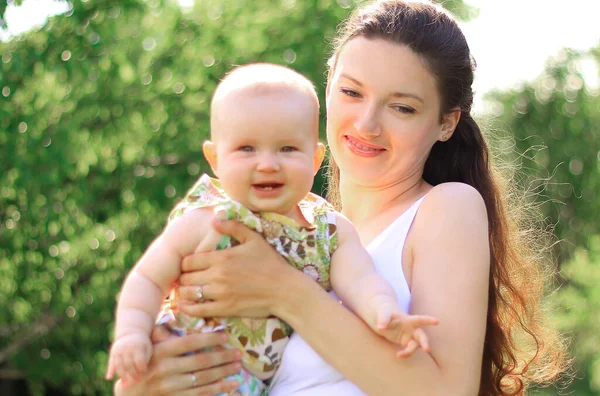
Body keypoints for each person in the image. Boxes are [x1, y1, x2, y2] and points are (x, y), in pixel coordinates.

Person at [114, 1, 568, 395]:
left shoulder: (444, 209)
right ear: (328, 83)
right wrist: (149, 381)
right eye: (352, 92)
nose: (367, 124)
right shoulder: (295, 226)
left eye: (402, 107)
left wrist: (285, 290)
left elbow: (445, 391)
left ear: (446, 123)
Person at [106, 63, 438, 395]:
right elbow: (147, 278)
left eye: (287, 149)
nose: (267, 163)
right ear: (215, 159)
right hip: (186, 365)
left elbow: (362, 280)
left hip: (252, 385)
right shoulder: (207, 218)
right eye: (247, 149)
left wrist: (387, 313)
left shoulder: (328, 229)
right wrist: (131, 335)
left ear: (315, 158)